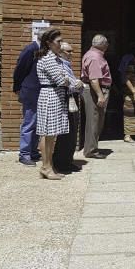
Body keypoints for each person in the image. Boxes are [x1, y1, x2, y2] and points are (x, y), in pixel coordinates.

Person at [34, 29, 71, 180]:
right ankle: (46, 166)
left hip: (55, 95)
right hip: (50, 96)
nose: (61, 44)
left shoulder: (55, 58)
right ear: (49, 43)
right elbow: (62, 80)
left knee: (51, 135)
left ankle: (49, 165)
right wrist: (65, 79)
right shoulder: (48, 59)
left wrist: (66, 78)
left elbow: (66, 77)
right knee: (48, 134)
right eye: (58, 41)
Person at [52, 42, 84, 173]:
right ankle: (62, 162)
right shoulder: (59, 65)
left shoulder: (67, 65)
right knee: (67, 132)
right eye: (69, 51)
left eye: (72, 51)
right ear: (61, 52)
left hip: (72, 98)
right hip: (66, 98)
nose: (71, 54)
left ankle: (66, 160)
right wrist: (77, 85)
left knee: (72, 132)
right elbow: (63, 83)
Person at [12, 32, 41, 166]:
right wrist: (17, 87)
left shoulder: (41, 50)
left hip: (38, 92)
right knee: (29, 123)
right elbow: (20, 69)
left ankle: (33, 151)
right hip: (30, 91)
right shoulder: (31, 49)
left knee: (37, 124)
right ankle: (24, 154)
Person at [80, 34, 111, 159]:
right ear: (103, 45)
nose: (108, 45)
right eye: (107, 43)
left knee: (96, 120)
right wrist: (100, 95)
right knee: (94, 120)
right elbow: (94, 79)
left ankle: (92, 147)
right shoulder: (95, 57)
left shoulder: (93, 55)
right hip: (96, 91)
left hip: (96, 90)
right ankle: (90, 150)